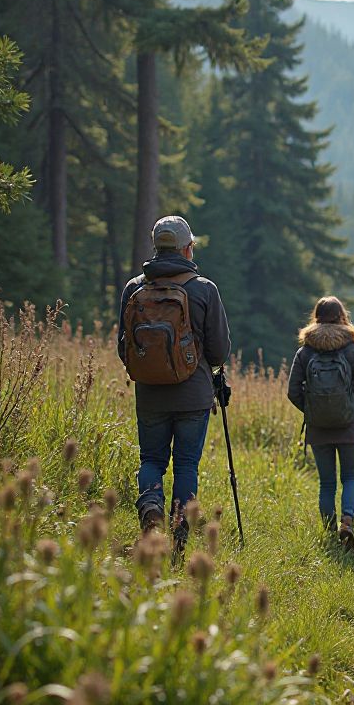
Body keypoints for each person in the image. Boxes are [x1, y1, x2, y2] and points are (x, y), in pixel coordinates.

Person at [119, 215, 231, 550]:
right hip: (193, 396)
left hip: (150, 395)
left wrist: (151, 369)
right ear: (186, 248)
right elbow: (219, 350)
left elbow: (123, 347)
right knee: (186, 464)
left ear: (157, 246)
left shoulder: (134, 288)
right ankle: (180, 534)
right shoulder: (203, 289)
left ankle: (151, 505)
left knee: (151, 460)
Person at [287, 296, 354, 548]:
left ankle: (329, 534)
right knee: (350, 477)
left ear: (316, 318)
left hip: (318, 428)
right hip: (350, 426)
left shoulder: (305, 352)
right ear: (342, 317)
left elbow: (292, 391)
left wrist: (312, 410)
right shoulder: (353, 351)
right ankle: (347, 521)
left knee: (326, 482)